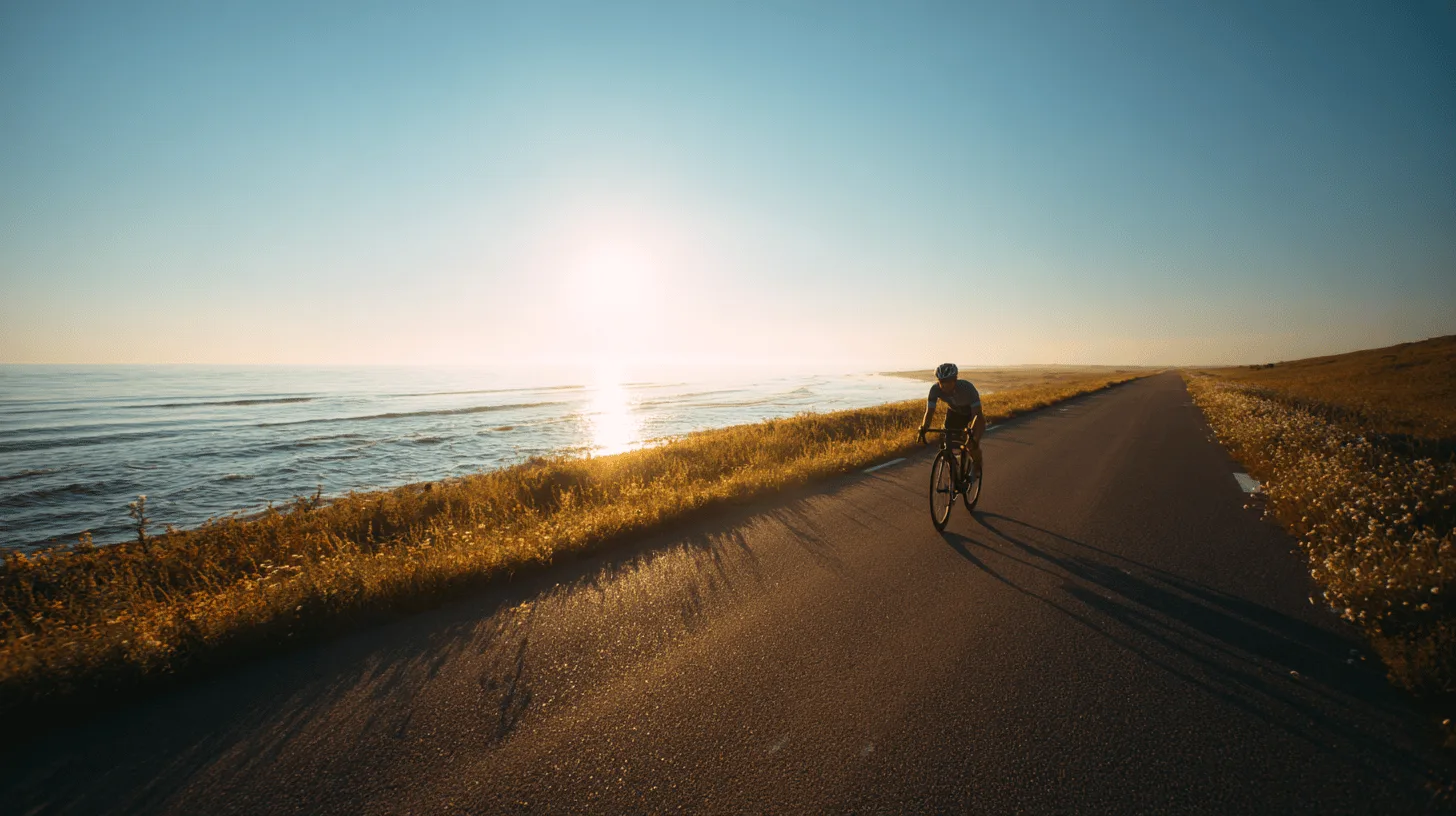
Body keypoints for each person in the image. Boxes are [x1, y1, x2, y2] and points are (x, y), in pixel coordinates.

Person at [917, 362, 984, 479]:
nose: (944, 385)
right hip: (953, 413)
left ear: (955, 379)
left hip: (972, 415)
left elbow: (977, 415)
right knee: (944, 443)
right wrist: (924, 427)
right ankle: (953, 468)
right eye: (941, 381)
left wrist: (971, 433)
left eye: (947, 381)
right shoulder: (935, 389)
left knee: (972, 443)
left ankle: (977, 465)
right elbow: (930, 411)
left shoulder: (968, 388)